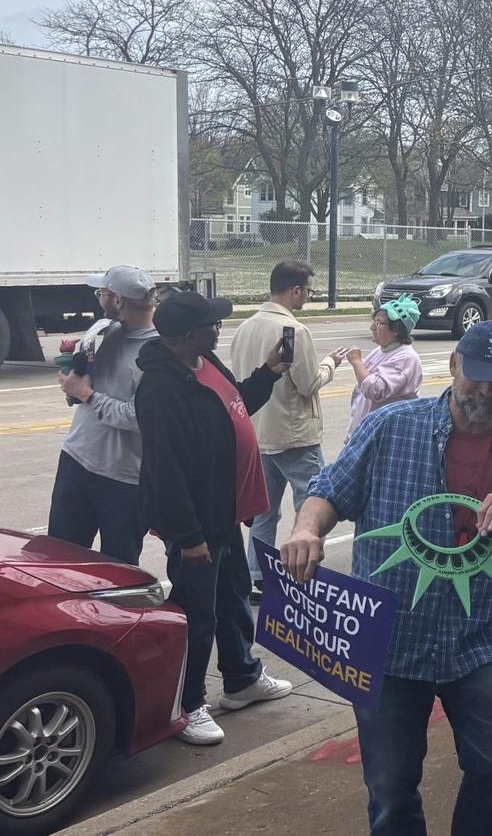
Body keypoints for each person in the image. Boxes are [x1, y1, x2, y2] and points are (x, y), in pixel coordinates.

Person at [282, 321, 492, 836]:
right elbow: (329, 490)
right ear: (456, 365)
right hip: (390, 644)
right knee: (392, 790)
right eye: (478, 377)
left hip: (476, 643)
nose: (486, 392)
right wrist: (306, 529)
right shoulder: (391, 426)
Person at [136, 290, 294, 746]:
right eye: (212, 324)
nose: (218, 328)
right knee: (195, 615)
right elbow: (164, 471)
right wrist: (188, 537)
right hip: (196, 525)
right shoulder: (161, 387)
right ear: (188, 334)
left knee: (233, 598)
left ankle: (242, 678)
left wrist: (269, 373)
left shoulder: (204, 363)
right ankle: (187, 705)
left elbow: (237, 404)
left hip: (223, 513)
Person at [230, 260, 337, 592]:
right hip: (294, 436)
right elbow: (307, 383)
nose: (308, 297)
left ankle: (256, 574)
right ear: (295, 290)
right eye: (308, 290)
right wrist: (330, 364)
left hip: (259, 432)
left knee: (264, 511)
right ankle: (303, 567)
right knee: (314, 503)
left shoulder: (245, 327)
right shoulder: (293, 331)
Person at [49, 265, 157, 564]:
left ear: (118, 300)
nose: (98, 298)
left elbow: (140, 418)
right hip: (77, 460)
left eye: (102, 293)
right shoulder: (105, 331)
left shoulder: (156, 354)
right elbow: (83, 389)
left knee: (118, 571)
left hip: (123, 480)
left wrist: (87, 395)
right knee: (61, 563)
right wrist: (74, 369)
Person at [344, 296, 426, 433]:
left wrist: (357, 362)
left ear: (396, 330)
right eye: (373, 322)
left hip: (384, 436)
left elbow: (375, 390)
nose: (372, 327)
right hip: (367, 432)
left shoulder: (406, 358)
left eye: (379, 323)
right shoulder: (381, 351)